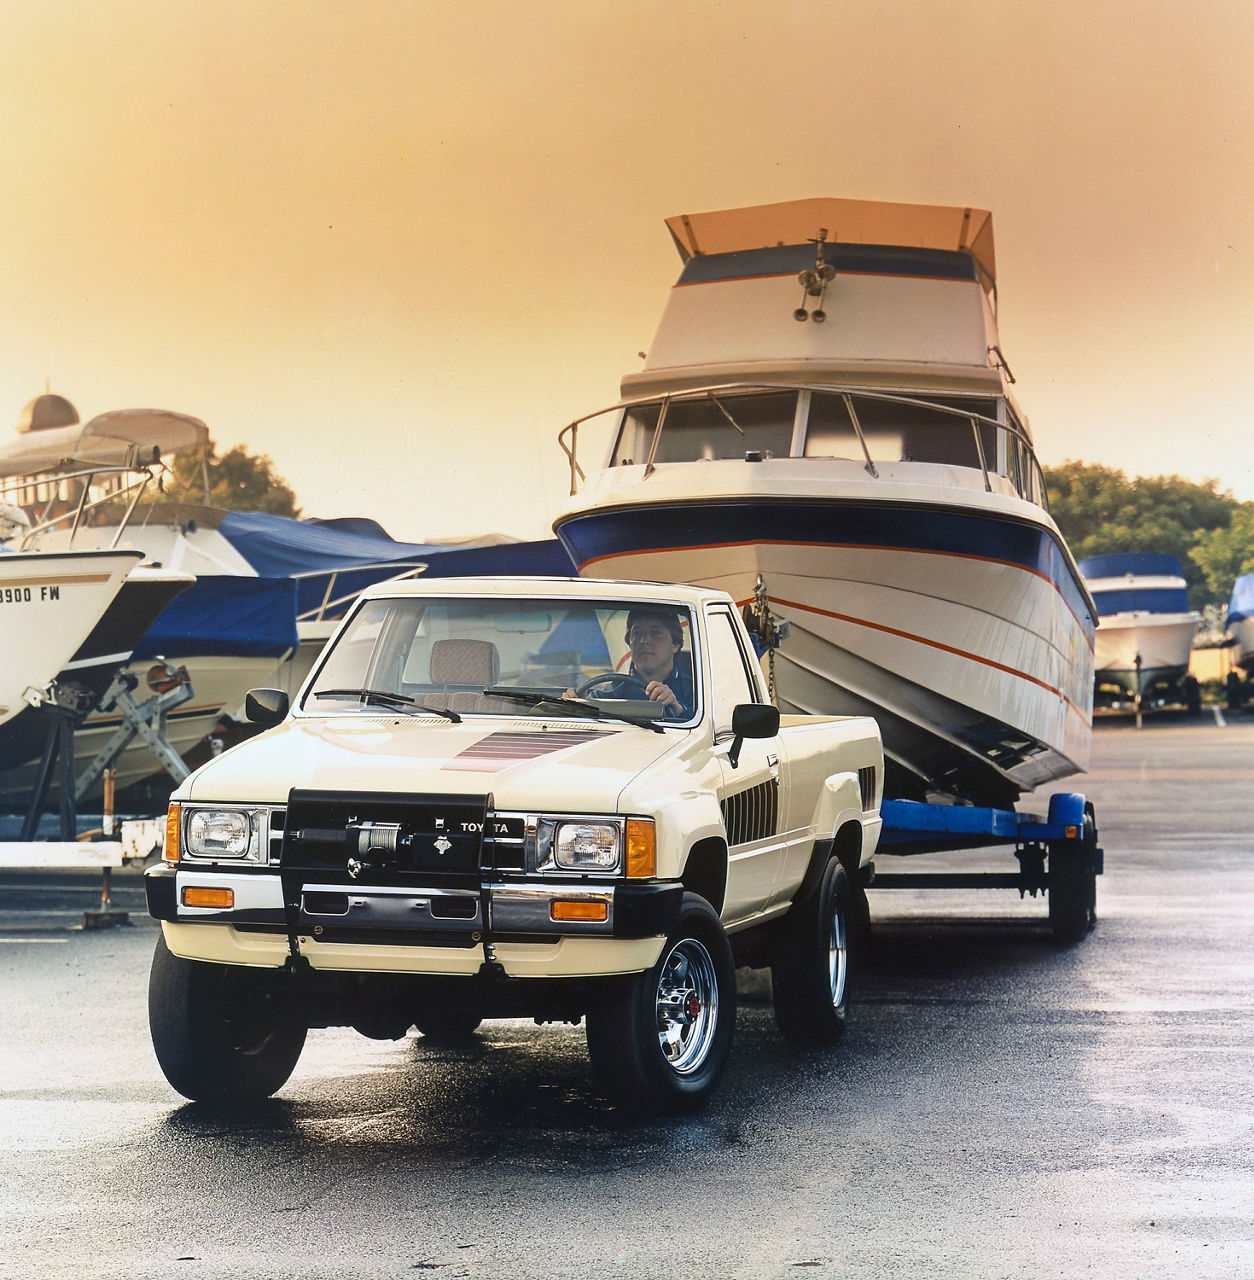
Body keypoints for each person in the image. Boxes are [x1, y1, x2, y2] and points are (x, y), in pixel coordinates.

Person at [621, 607, 693, 718]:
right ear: (629, 643)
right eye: (637, 633)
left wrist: (679, 711)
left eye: (655, 634)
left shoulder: (697, 694)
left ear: (675, 645)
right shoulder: (606, 695)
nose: (644, 640)